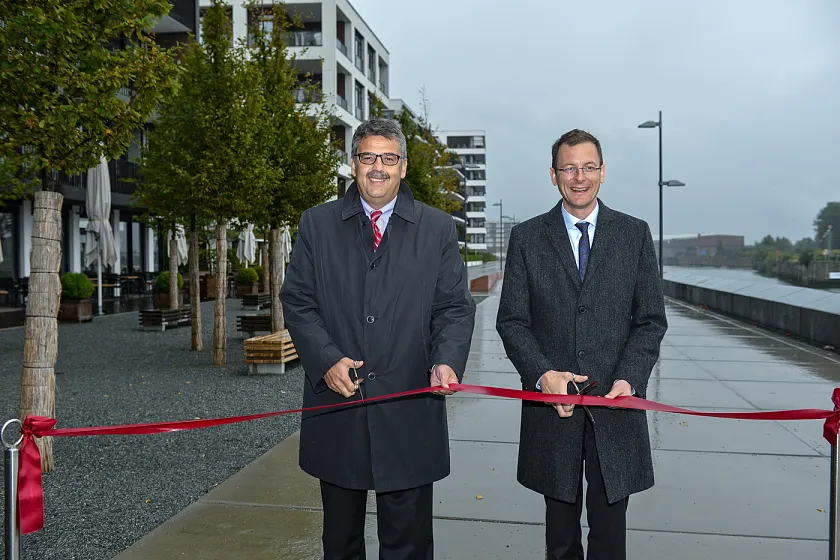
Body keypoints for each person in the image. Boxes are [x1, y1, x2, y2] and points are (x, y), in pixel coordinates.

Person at [280, 117, 476, 560]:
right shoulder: (317, 224)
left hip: (410, 408)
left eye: (389, 158)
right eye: (368, 157)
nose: (378, 168)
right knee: (340, 543)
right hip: (339, 407)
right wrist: (325, 359)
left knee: (407, 546)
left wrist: (446, 360)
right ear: (353, 164)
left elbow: (454, 308)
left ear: (403, 166)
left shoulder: (438, 229)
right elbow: (298, 300)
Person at [495, 129, 667, 559]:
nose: (579, 177)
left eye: (589, 167)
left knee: (610, 541)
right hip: (555, 410)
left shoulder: (634, 234)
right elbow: (512, 321)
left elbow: (650, 321)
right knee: (560, 542)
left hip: (617, 405)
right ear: (553, 176)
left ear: (603, 172)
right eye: (569, 168)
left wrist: (630, 378)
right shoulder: (528, 238)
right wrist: (541, 375)